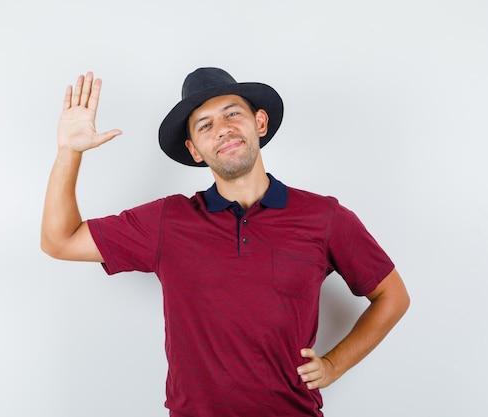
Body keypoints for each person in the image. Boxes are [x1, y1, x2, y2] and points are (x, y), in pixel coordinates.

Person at [41, 67, 410, 417]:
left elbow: (392, 296)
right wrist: (68, 153)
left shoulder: (324, 217)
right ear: (195, 150)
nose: (222, 129)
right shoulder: (168, 221)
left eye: (233, 114)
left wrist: (332, 366)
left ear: (259, 123)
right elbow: (60, 240)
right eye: (206, 124)